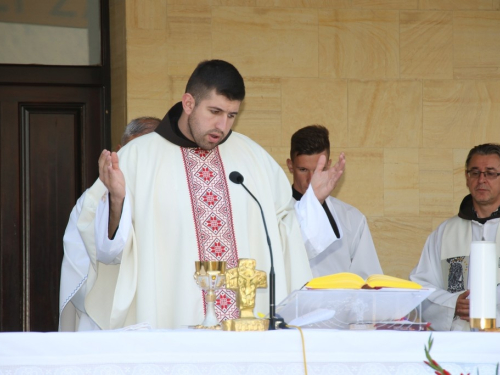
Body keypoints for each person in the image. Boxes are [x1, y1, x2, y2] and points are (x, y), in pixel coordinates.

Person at [66, 60, 312, 330]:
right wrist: (116, 200)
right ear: (188, 103)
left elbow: (285, 230)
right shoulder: (137, 158)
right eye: (215, 111)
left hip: (245, 332)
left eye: (231, 115)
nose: (222, 125)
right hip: (172, 323)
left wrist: (314, 205)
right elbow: (107, 252)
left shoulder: (253, 159)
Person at [59, 116, 160, 331]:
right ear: (119, 151)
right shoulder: (93, 201)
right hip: (106, 324)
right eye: (135, 153)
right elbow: (79, 268)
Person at [410, 143, 500, 331]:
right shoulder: (445, 233)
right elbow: (420, 287)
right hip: (459, 341)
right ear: (467, 178)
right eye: (475, 172)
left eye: (490, 173)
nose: (481, 180)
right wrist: (453, 304)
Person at [286, 125, 382, 279]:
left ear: (329, 165)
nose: (311, 180)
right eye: (303, 170)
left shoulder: (352, 219)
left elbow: (368, 279)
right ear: (290, 166)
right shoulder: (275, 214)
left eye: (318, 170)